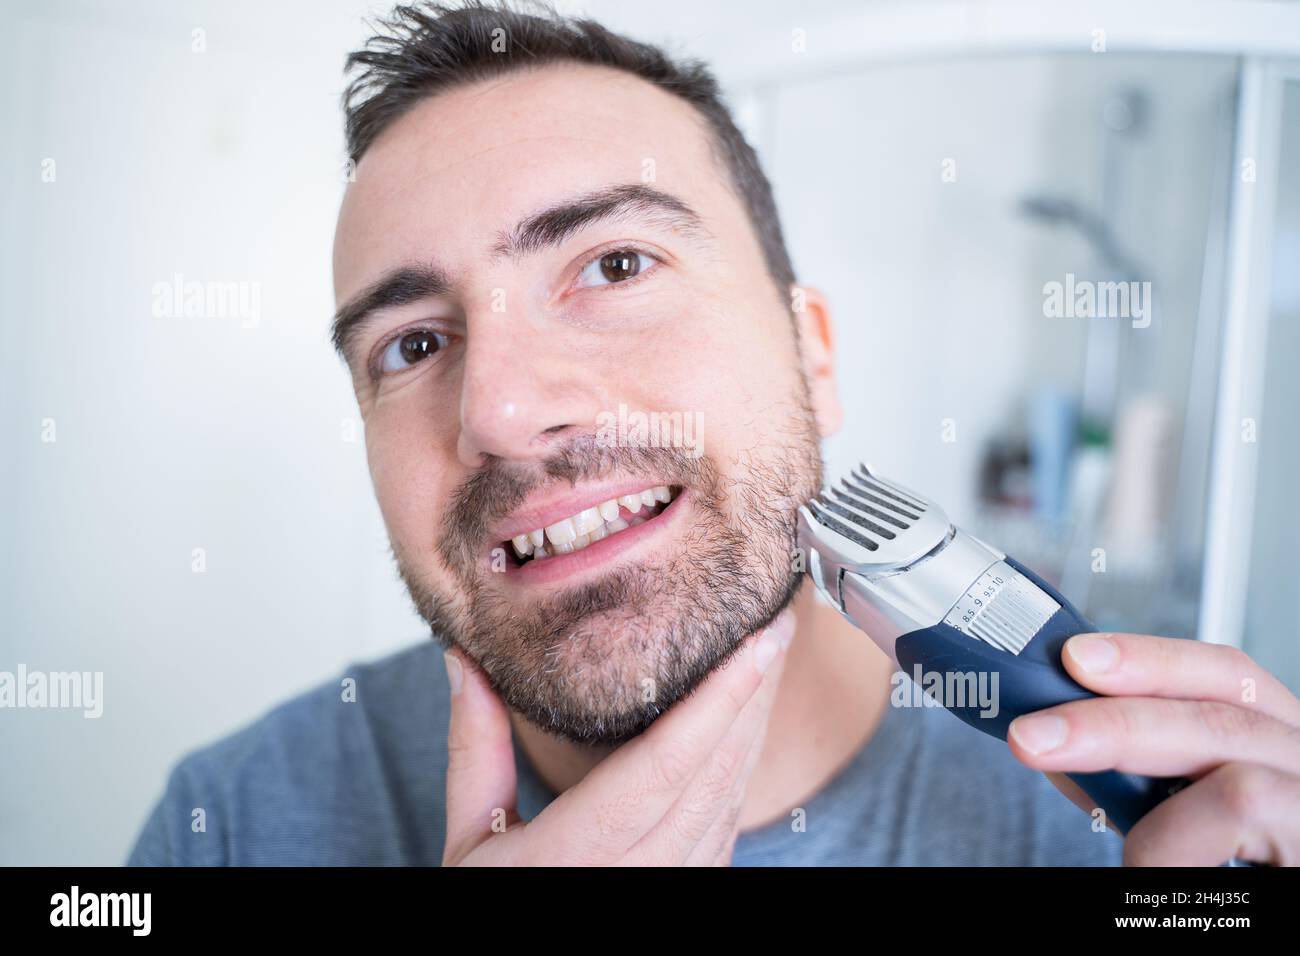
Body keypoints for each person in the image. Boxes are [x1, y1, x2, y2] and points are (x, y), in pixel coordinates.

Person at [128, 0, 1300, 867]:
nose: (498, 411)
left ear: (813, 354)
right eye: (414, 345)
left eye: (614, 264)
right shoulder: (227, 820)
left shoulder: (1130, 835)